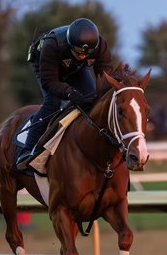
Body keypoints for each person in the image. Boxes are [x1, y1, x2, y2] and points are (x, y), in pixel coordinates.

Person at [16, 18, 114, 170]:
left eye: (87, 53)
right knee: (53, 103)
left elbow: (105, 79)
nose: (82, 56)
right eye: (78, 51)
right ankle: (27, 150)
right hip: (46, 63)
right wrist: (69, 93)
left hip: (76, 68)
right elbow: (50, 82)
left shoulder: (100, 46)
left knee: (93, 99)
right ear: (69, 44)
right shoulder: (52, 45)